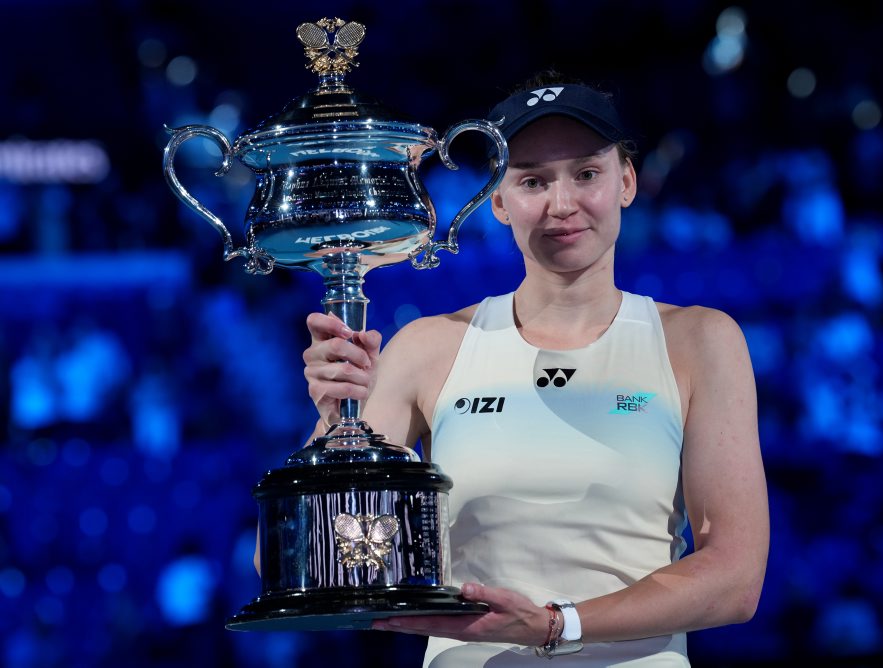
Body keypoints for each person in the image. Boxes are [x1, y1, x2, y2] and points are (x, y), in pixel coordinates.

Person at [300, 72, 769, 666]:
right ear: (497, 201)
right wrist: (333, 424)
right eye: (532, 181)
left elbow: (735, 579)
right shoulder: (427, 349)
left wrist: (555, 625)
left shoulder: (699, 341)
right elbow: (310, 562)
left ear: (626, 181)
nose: (562, 204)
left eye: (586, 173)